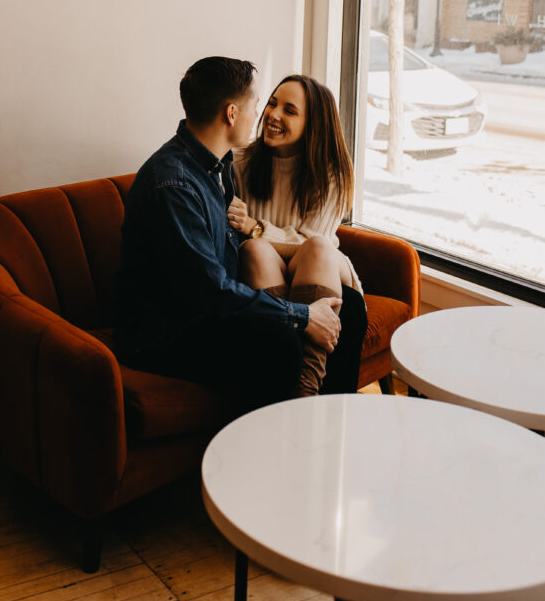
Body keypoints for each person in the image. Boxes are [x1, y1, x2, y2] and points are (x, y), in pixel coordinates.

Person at [114, 57, 364, 414]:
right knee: (279, 342)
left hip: (205, 306)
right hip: (166, 329)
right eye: (258, 104)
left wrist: (296, 308)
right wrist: (301, 315)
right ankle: (284, 434)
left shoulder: (219, 166)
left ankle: (332, 426)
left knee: (349, 309)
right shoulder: (174, 184)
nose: (262, 115)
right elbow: (209, 290)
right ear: (232, 113)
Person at [230, 74, 366, 395]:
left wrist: (255, 227)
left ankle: (306, 387)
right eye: (272, 104)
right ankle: (284, 368)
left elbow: (308, 244)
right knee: (254, 251)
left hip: (324, 277)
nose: (273, 115)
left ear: (313, 124)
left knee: (317, 247)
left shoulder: (331, 173)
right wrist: (254, 237)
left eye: (290, 111)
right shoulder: (239, 165)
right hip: (271, 281)